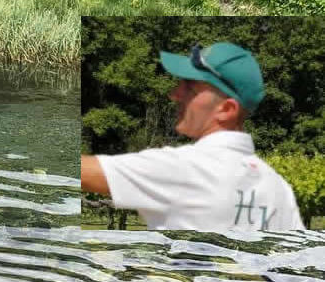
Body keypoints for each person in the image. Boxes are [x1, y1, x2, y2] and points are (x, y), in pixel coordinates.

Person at [82, 42, 305, 232]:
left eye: (190, 88)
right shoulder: (278, 188)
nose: (175, 94)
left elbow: (80, 171)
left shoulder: (183, 168)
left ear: (227, 109)